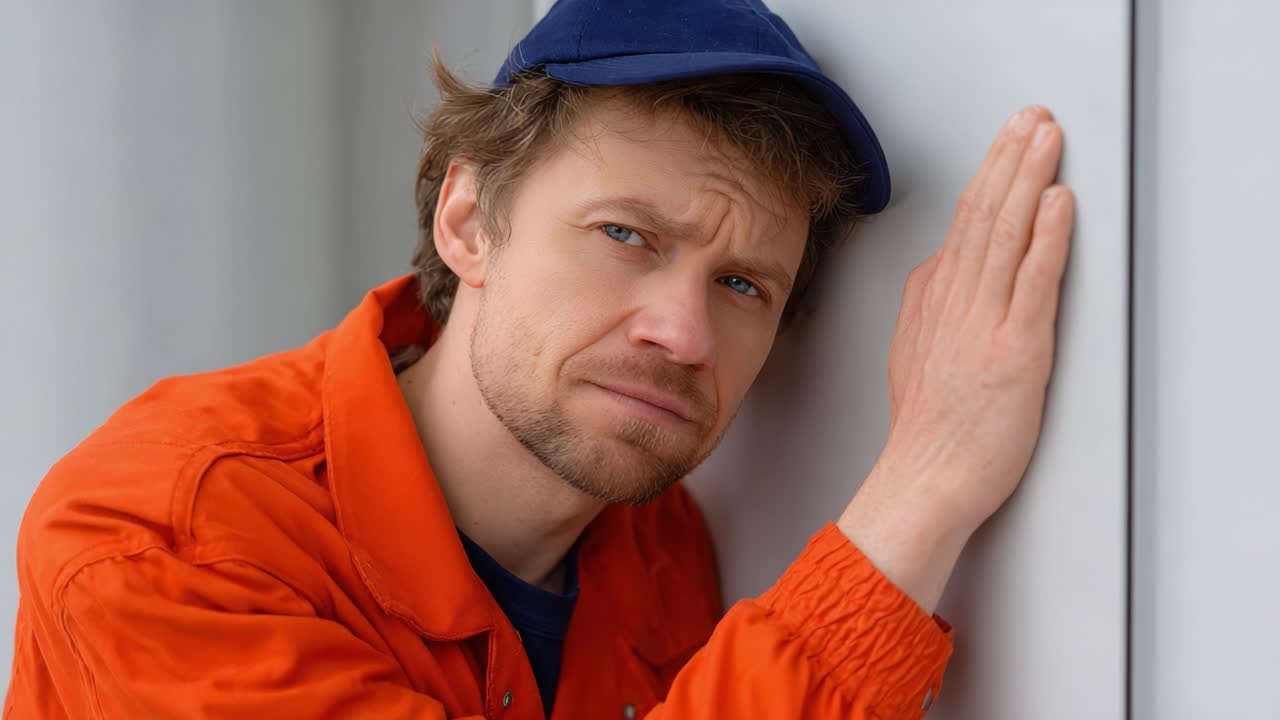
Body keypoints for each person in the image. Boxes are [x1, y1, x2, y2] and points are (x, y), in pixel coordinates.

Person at [6, 0, 1073, 718]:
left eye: (741, 284)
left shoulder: (659, 553)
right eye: (625, 237)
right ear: (469, 222)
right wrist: (924, 484)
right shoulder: (167, 536)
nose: (683, 335)